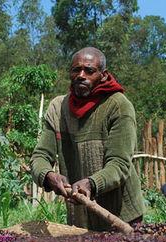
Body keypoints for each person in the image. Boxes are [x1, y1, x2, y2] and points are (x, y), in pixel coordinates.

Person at [30, 47, 145, 231]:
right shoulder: (58, 108)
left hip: (121, 217)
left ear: (104, 75)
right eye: (76, 70)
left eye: (89, 71)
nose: (81, 75)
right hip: (80, 217)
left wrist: (91, 183)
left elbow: (119, 164)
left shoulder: (118, 106)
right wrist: (48, 175)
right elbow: (40, 156)